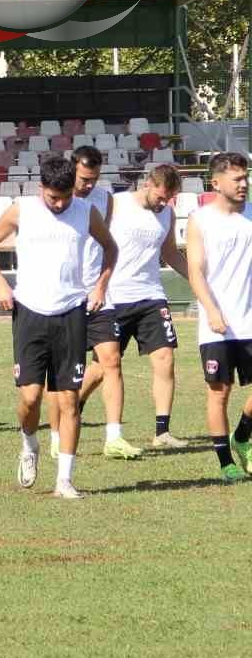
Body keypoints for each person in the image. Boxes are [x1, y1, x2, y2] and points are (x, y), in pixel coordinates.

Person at [0, 155, 118, 499]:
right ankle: (29, 444)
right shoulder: (22, 210)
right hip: (30, 312)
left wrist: (100, 287)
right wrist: (0, 284)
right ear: (41, 187)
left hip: (72, 312)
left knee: (69, 400)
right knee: (30, 398)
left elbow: (110, 248)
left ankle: (64, 480)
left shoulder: (86, 212)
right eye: (53, 197)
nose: (59, 204)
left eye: (65, 197)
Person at [77, 164, 189, 454]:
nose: (164, 203)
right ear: (148, 184)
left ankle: (162, 431)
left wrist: (198, 279)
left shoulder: (167, 213)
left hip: (151, 295)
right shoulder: (117, 204)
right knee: (101, 368)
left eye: (169, 198)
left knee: (165, 358)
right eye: (161, 196)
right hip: (114, 296)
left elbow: (170, 253)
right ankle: (73, 404)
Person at [48, 145, 129, 457]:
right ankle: (56, 436)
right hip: (62, 296)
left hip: (97, 295)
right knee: (59, 374)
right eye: (84, 178)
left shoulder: (105, 199)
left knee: (112, 360)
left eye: (94, 178)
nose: (88, 184)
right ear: (72, 171)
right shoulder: (53, 201)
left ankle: (114, 437)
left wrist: (101, 287)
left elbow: (106, 246)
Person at [185, 152, 252, 482]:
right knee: (219, 392)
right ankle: (226, 463)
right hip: (217, 325)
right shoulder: (200, 220)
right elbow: (195, 270)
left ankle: (242, 435)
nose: (244, 183)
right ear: (216, 182)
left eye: (246, 177)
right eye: (237, 178)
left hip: (249, 319)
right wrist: (211, 311)